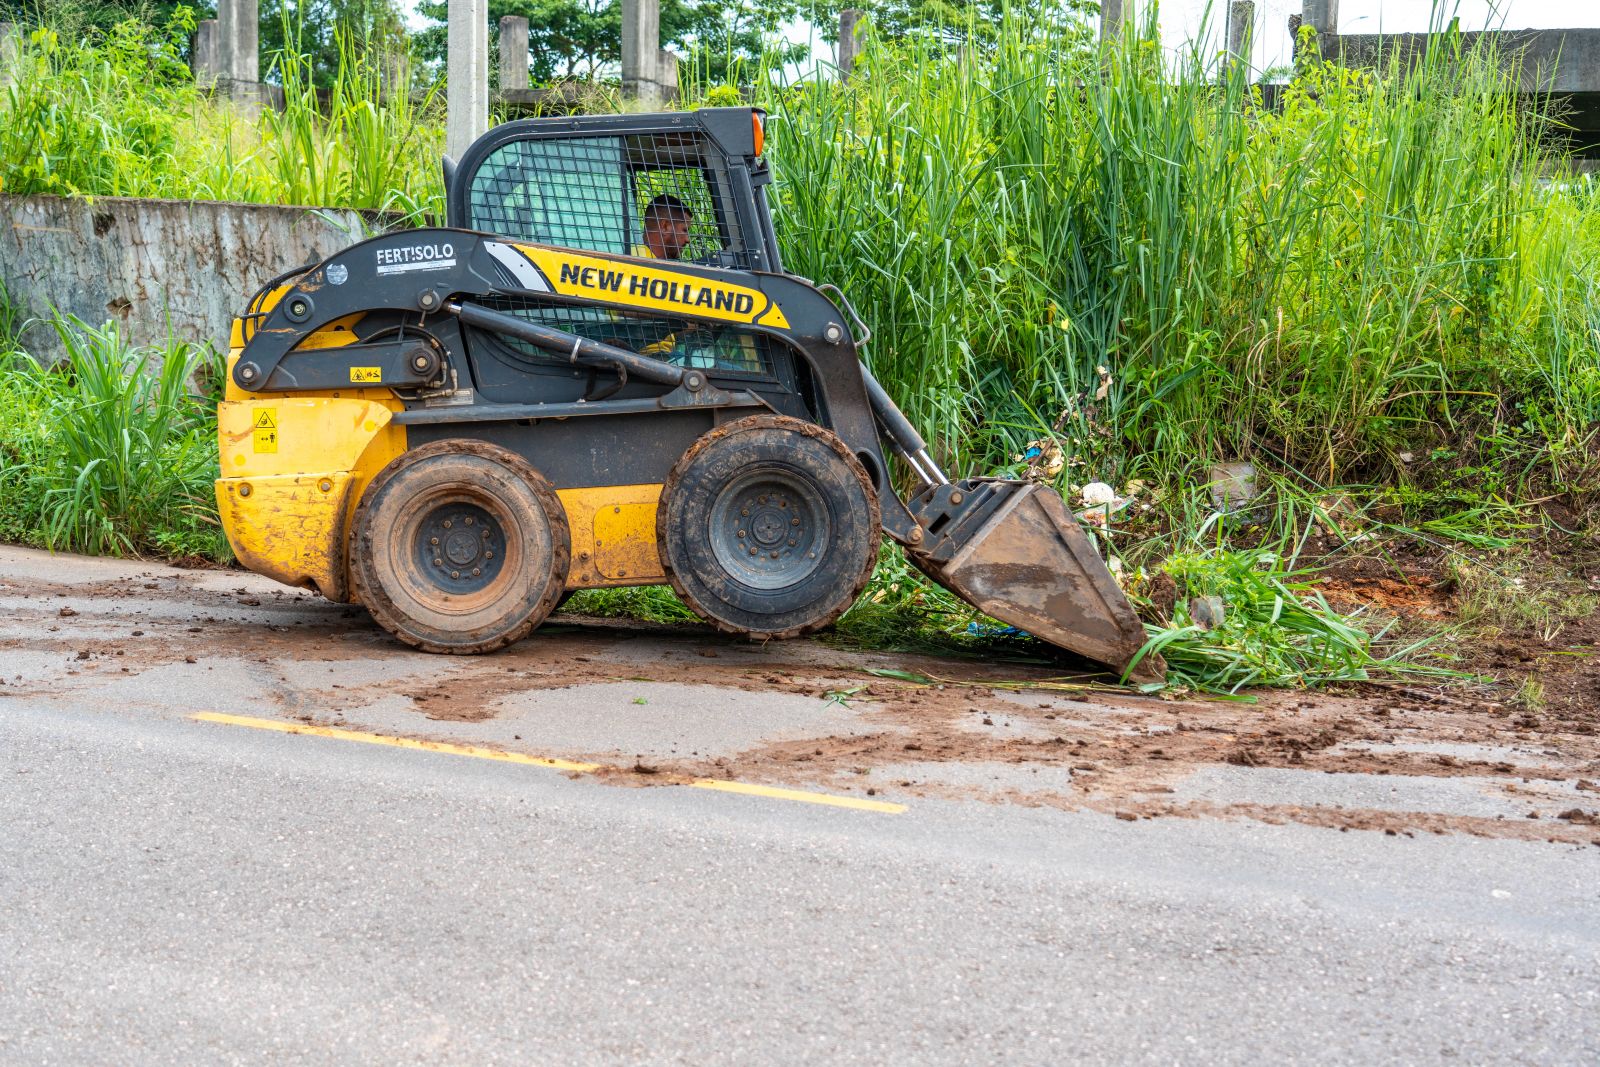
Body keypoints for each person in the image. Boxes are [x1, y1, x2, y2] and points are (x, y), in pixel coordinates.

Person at [633, 194, 693, 261]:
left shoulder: (627, 255)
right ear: (665, 227)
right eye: (684, 230)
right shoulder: (633, 262)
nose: (687, 240)